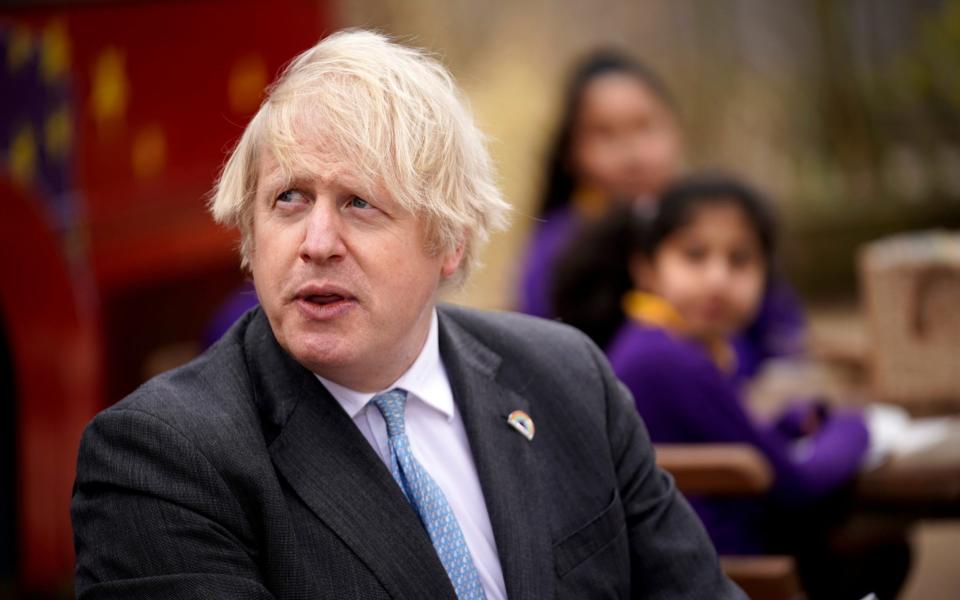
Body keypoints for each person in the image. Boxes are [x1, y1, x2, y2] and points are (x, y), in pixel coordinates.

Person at [70, 30, 745, 599]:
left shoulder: (567, 379)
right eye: (289, 199)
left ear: (449, 242)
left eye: (361, 203)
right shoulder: (159, 459)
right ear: (249, 227)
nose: (317, 242)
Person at [574, 175, 907, 598]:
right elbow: (792, 484)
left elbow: (729, 431)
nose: (718, 278)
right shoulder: (667, 357)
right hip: (715, 570)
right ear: (646, 269)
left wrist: (793, 422)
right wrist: (860, 427)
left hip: (708, 553)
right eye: (695, 255)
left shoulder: (691, 344)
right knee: (880, 551)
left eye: (740, 260)